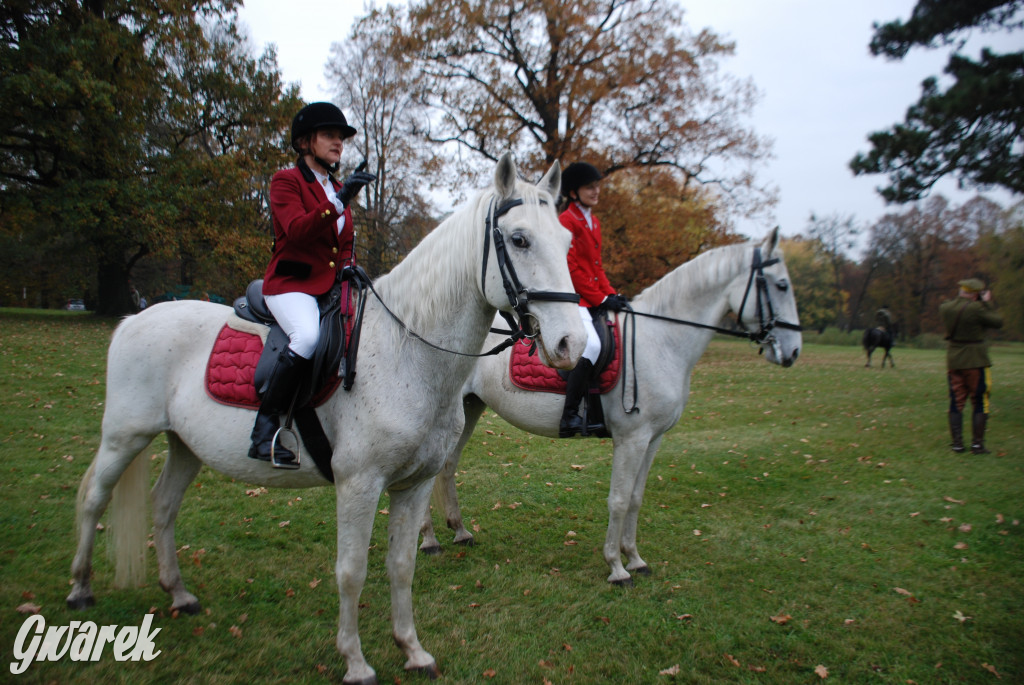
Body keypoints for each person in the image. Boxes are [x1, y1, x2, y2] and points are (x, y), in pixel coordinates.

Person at [249, 102, 376, 464]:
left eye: (341, 137)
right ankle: (264, 428)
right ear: (305, 142)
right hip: (291, 286)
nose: (338, 143)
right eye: (329, 136)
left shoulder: (336, 186)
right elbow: (299, 231)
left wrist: (350, 267)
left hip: (330, 286)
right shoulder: (285, 182)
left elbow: (345, 241)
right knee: (306, 337)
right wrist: (340, 200)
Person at [557, 162, 629, 437]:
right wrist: (600, 298)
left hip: (594, 297)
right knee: (592, 345)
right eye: (590, 186)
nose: (596, 190)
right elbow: (572, 268)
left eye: (597, 185)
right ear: (574, 192)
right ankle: (569, 416)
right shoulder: (567, 220)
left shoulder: (593, 220)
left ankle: (601, 413)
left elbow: (596, 268)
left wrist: (611, 294)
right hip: (575, 299)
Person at [939, 278, 1003, 455]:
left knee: (956, 401)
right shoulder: (977, 309)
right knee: (980, 401)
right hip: (975, 360)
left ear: (961, 291)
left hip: (954, 360)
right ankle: (977, 444)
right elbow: (997, 321)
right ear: (976, 295)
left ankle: (957, 443)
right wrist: (987, 304)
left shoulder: (946, 307)